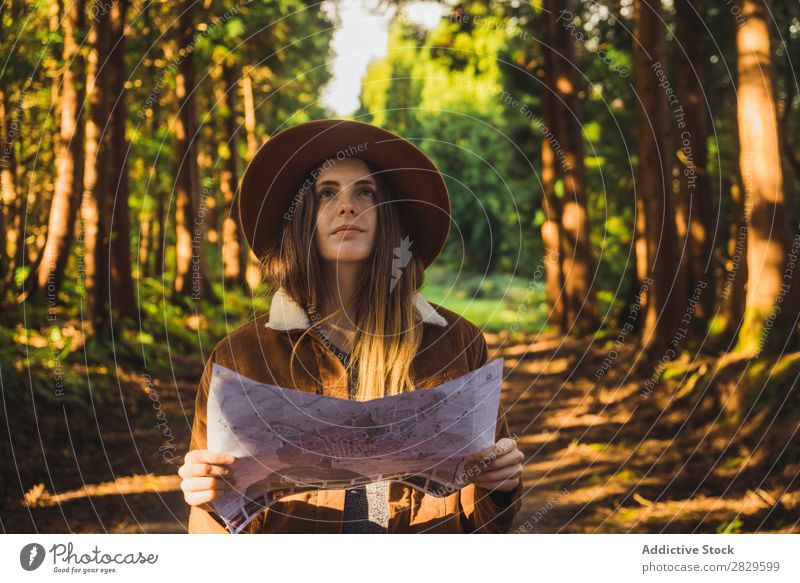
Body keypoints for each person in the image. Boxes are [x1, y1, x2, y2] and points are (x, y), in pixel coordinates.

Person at [179, 119, 523, 533]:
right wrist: (207, 496)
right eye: (327, 193)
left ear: (389, 218)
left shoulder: (454, 342)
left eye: (366, 192)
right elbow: (209, 528)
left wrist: (501, 483)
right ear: (302, 217)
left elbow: (487, 524)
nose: (347, 206)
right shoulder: (241, 357)